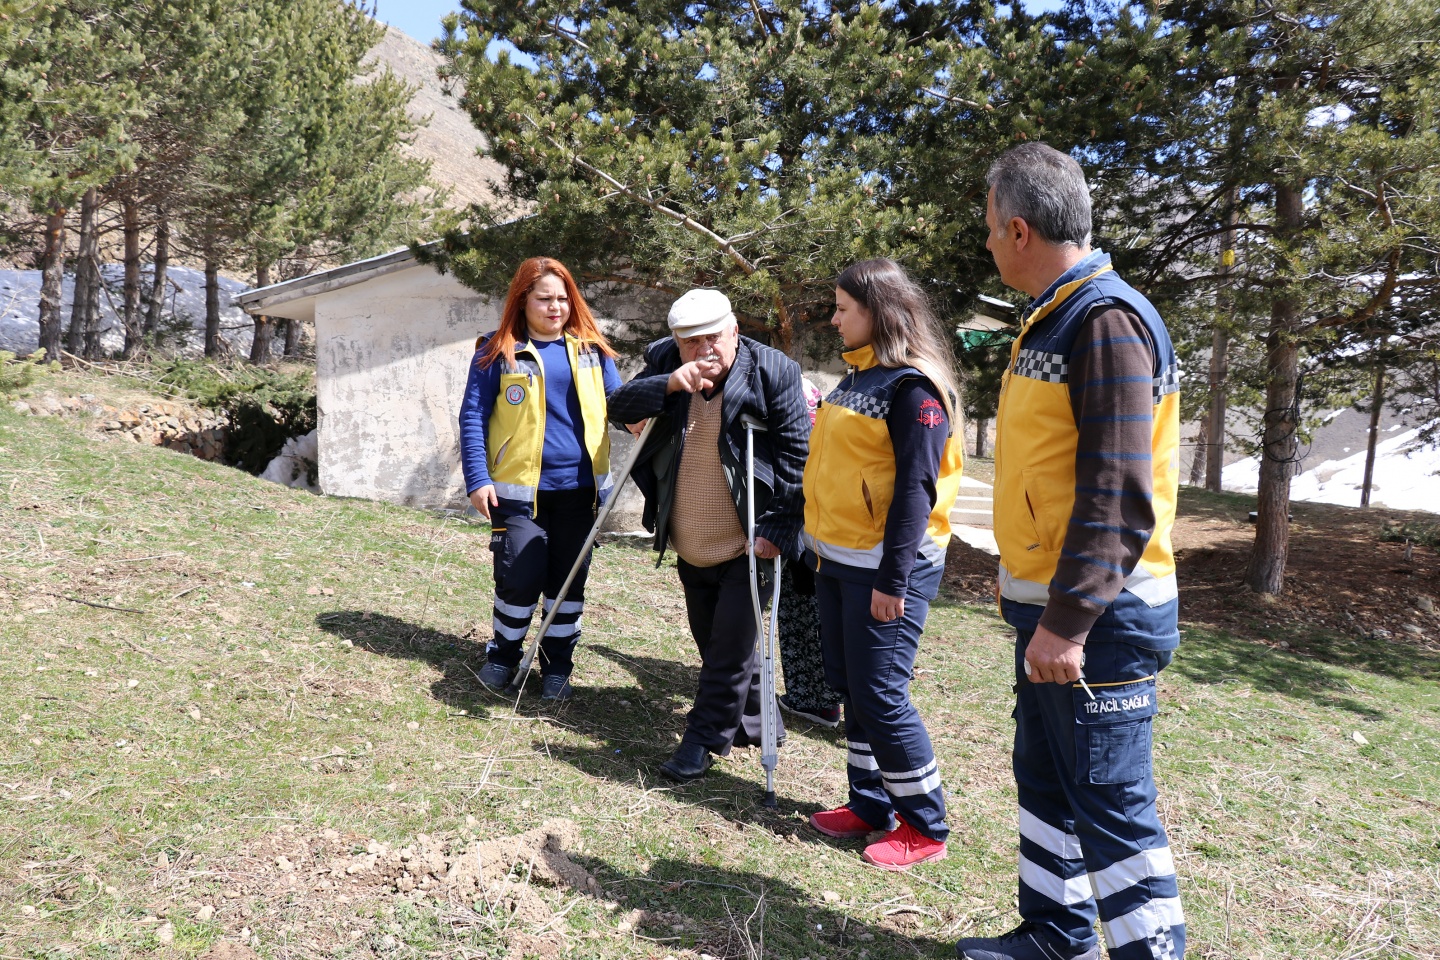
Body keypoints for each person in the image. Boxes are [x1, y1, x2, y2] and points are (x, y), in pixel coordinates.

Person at [955, 143, 1186, 960]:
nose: (985, 243)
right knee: (1049, 787)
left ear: (1018, 229)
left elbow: (1118, 495)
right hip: (1051, 615)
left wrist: (1070, 618)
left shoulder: (1105, 319)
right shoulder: (1056, 315)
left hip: (1099, 623)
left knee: (1112, 807)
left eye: (988, 229)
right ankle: (1055, 938)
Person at [803, 258, 965, 872]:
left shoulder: (912, 388)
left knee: (881, 694)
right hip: (837, 558)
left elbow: (915, 492)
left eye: (844, 308)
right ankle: (871, 806)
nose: (835, 317)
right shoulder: (856, 379)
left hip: (887, 569)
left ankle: (925, 824)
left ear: (878, 311)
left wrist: (894, 581)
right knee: (851, 689)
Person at [607, 288, 808, 782]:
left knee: (728, 650)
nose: (703, 351)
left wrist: (779, 530)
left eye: (713, 338)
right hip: (690, 537)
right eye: (690, 342)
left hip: (749, 539)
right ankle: (762, 720)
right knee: (714, 638)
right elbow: (616, 406)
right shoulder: (665, 360)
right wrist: (670, 385)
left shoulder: (772, 371)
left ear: (734, 330)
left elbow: (799, 459)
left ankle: (701, 743)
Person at [458, 256, 622, 702]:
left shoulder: (593, 351)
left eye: (562, 298)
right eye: (544, 298)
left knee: (567, 584)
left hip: (580, 495)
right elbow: (473, 416)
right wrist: (477, 478)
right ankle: (503, 656)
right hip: (517, 496)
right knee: (520, 577)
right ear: (522, 300)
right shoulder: (496, 352)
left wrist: (647, 412)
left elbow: (619, 405)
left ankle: (557, 668)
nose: (556, 307)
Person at [776, 378, 841, 729]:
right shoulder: (808, 389)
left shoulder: (787, 390)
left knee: (802, 611)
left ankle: (815, 701)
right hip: (825, 530)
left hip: (805, 530)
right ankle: (827, 699)